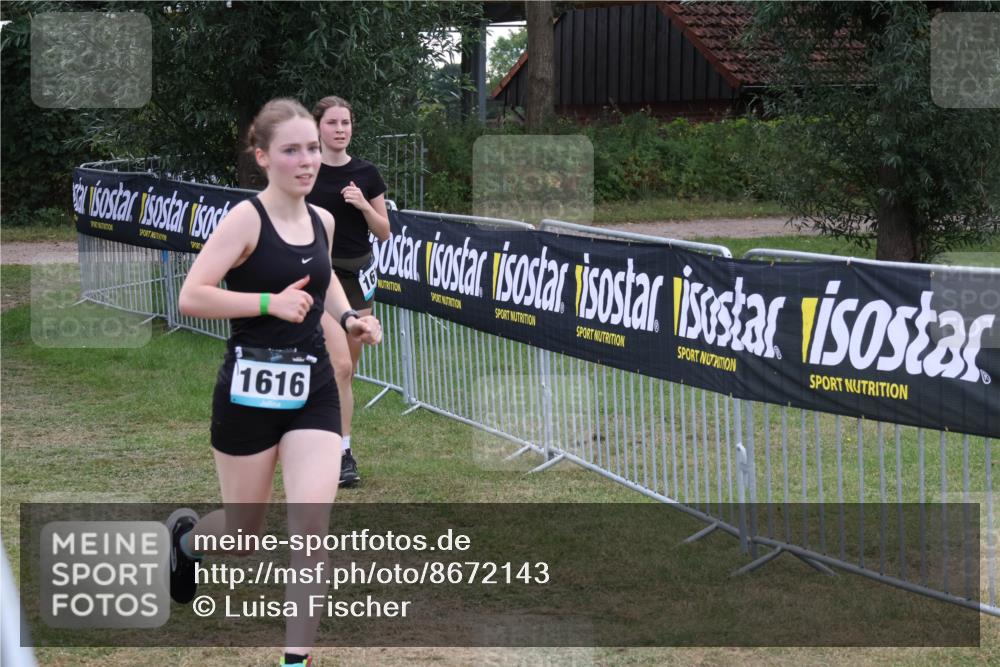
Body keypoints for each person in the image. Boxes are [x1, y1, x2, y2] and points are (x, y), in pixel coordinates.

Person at [170, 98, 382, 667]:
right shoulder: (245, 219)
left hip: (311, 387)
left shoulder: (325, 220)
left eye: (312, 148)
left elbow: (325, 281)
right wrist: (267, 301)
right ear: (263, 157)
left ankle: (295, 660)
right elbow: (192, 295)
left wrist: (348, 319)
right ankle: (186, 545)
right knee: (244, 533)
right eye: (292, 150)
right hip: (248, 391)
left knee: (311, 529)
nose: (307, 160)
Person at [306, 96, 390, 488]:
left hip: (358, 278)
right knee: (338, 367)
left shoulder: (366, 173)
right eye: (333, 123)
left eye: (347, 122)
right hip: (321, 277)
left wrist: (362, 205)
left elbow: (384, 230)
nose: (341, 129)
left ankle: (327, 438)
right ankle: (340, 455)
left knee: (347, 371)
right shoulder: (306, 171)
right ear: (318, 126)